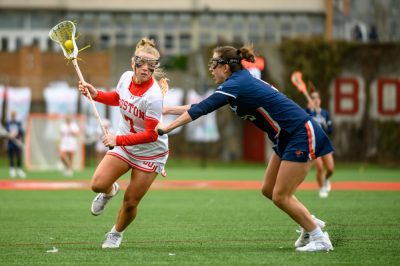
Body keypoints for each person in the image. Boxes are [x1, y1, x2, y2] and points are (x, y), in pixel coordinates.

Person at [157, 44, 334, 252]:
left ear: (226, 67)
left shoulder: (236, 84)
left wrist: (167, 128)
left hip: (299, 133)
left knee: (281, 196)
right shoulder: (236, 83)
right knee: (268, 190)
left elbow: (202, 109)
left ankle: (320, 238)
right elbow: (206, 103)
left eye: (214, 64)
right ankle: (308, 223)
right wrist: (168, 109)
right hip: (285, 136)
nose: (211, 69)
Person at [78, 38, 169, 249]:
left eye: (151, 64)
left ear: (155, 66)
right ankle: (110, 191)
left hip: (150, 152)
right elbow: (118, 98)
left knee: (130, 202)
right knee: (98, 184)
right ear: (132, 62)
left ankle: (116, 233)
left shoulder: (153, 96)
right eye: (141, 62)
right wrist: (96, 94)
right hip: (125, 146)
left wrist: (116, 139)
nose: (145, 68)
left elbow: (151, 135)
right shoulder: (126, 77)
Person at [304, 83, 334, 198]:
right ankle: (322, 188)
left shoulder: (324, 113)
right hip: (313, 145)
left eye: (317, 98)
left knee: (330, 169)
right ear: (309, 100)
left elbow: (330, 130)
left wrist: (325, 123)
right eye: (313, 98)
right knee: (320, 167)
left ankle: (326, 179)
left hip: (324, 143)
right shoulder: (306, 112)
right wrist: (310, 111)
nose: (316, 100)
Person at [5, 110, 26, 178]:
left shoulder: (18, 123)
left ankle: (19, 170)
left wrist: (20, 139)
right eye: (12, 115)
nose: (13, 116)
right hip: (11, 143)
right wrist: (9, 135)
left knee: (18, 156)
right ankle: (12, 170)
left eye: (14, 115)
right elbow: (6, 133)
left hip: (17, 142)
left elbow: (21, 132)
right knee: (11, 156)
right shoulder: (8, 123)